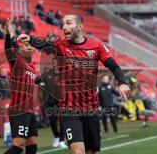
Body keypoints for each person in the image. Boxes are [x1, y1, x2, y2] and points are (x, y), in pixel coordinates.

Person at [19, 13, 130, 154]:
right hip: (69, 110)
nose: (64, 26)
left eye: (69, 23)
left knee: (90, 151)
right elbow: (46, 44)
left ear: (80, 26)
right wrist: (31, 39)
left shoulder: (97, 46)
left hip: (91, 110)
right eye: (63, 24)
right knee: (78, 152)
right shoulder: (61, 46)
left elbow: (114, 66)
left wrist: (123, 82)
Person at [3, 18, 38, 154]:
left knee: (32, 144)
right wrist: (8, 33)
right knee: (19, 145)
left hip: (29, 110)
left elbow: (32, 82)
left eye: (30, 45)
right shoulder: (17, 61)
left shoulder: (32, 67)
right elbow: (8, 48)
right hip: (19, 110)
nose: (29, 47)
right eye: (25, 45)